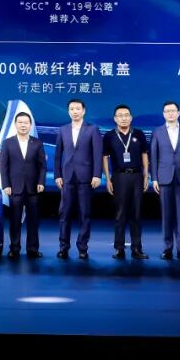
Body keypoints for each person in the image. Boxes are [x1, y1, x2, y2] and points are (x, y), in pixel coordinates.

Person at [150, 101, 180, 261]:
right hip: (164, 178)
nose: (170, 113)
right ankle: (167, 248)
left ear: (179, 113)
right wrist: (154, 178)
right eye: (167, 111)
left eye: (173, 111)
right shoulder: (157, 132)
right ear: (163, 114)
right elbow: (153, 157)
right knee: (166, 215)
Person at [53, 98, 102, 259]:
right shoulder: (63, 130)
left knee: (85, 214)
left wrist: (97, 174)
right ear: (68, 112)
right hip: (67, 177)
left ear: (83, 111)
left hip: (86, 177)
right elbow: (58, 155)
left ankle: (82, 248)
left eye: (77, 108)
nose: (75, 111)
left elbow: (97, 154)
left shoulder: (92, 129)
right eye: (72, 109)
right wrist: (57, 175)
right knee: (64, 214)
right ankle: (63, 247)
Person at [102, 104, 150, 259]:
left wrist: (146, 175)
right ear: (115, 118)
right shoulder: (109, 136)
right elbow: (105, 157)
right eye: (120, 115)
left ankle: (137, 249)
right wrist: (108, 179)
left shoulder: (139, 134)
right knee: (120, 213)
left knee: (136, 213)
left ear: (131, 117)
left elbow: (144, 155)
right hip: (119, 177)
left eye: (126, 115)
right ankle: (119, 248)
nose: (123, 118)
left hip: (137, 176)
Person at [0, 111, 47, 258]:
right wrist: (6, 185)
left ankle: (33, 249)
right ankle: (14, 249)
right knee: (15, 221)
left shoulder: (37, 143)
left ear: (30, 125)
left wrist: (41, 182)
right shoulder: (7, 143)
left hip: (33, 188)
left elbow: (42, 166)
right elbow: (4, 166)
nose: (23, 125)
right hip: (14, 188)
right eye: (20, 122)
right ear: (15, 124)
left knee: (33, 221)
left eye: (26, 122)